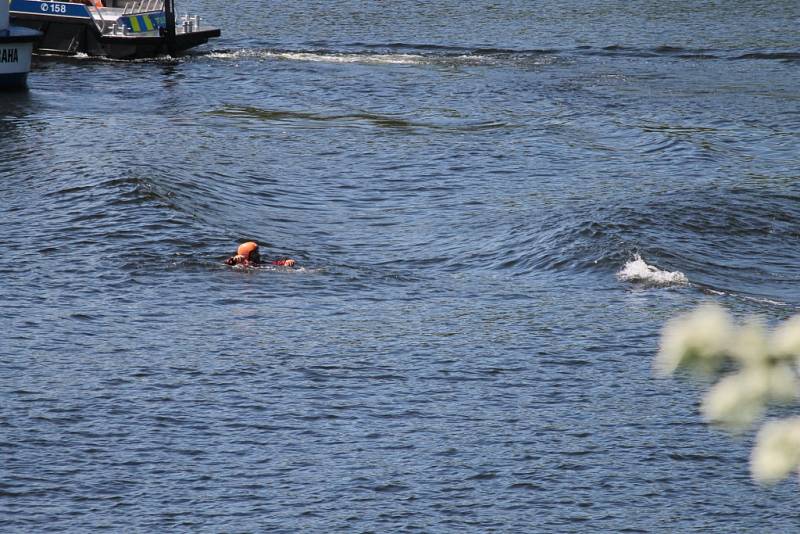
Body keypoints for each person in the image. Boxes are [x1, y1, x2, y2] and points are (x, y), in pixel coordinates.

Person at [225, 241, 295, 267]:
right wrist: (234, 259)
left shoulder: (260, 263)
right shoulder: (239, 264)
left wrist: (286, 262)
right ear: (247, 254)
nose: (258, 255)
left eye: (258, 252)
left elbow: (274, 263)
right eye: (255, 253)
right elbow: (227, 264)